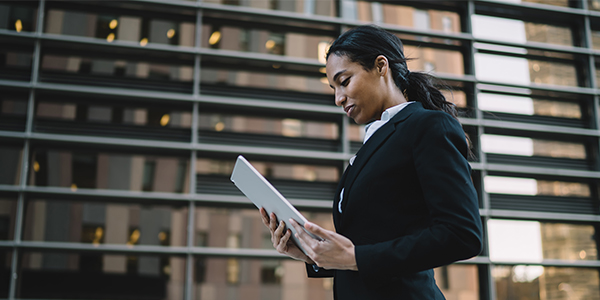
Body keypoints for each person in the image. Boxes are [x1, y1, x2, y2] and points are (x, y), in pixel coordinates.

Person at [259, 25, 483, 300]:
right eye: (333, 88)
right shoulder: (372, 146)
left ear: (380, 66)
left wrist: (354, 257)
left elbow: (461, 235)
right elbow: (371, 244)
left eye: (344, 81)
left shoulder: (428, 127)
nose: (338, 98)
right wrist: (313, 254)